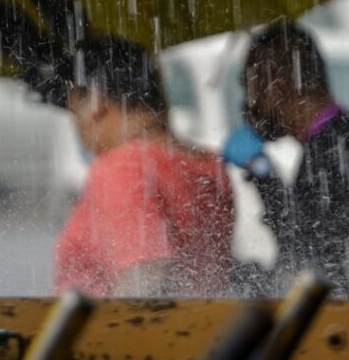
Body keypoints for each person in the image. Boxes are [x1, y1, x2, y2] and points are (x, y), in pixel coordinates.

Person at [223, 19, 349, 297]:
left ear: (279, 87)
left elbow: (316, 267)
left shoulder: (337, 157)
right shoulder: (344, 140)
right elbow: (312, 238)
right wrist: (265, 177)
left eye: (252, 89)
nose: (249, 105)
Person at [53, 36, 235, 297]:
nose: (76, 127)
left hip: (120, 336)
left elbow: (147, 277)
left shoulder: (120, 169)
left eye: (74, 112)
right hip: (203, 330)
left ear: (97, 103)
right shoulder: (210, 164)